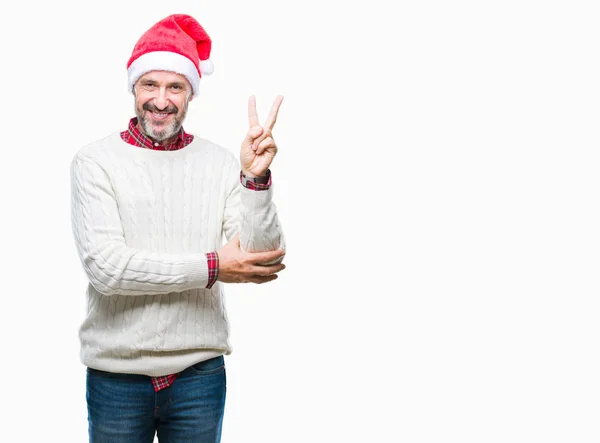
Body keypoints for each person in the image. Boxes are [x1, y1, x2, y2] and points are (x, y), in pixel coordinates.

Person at [70, 13, 286, 443]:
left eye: (175, 87)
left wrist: (255, 179)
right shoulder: (94, 162)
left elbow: (261, 256)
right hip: (117, 376)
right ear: (133, 87)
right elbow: (107, 270)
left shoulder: (221, 161)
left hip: (199, 376)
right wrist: (212, 266)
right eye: (150, 84)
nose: (161, 100)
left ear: (190, 93)